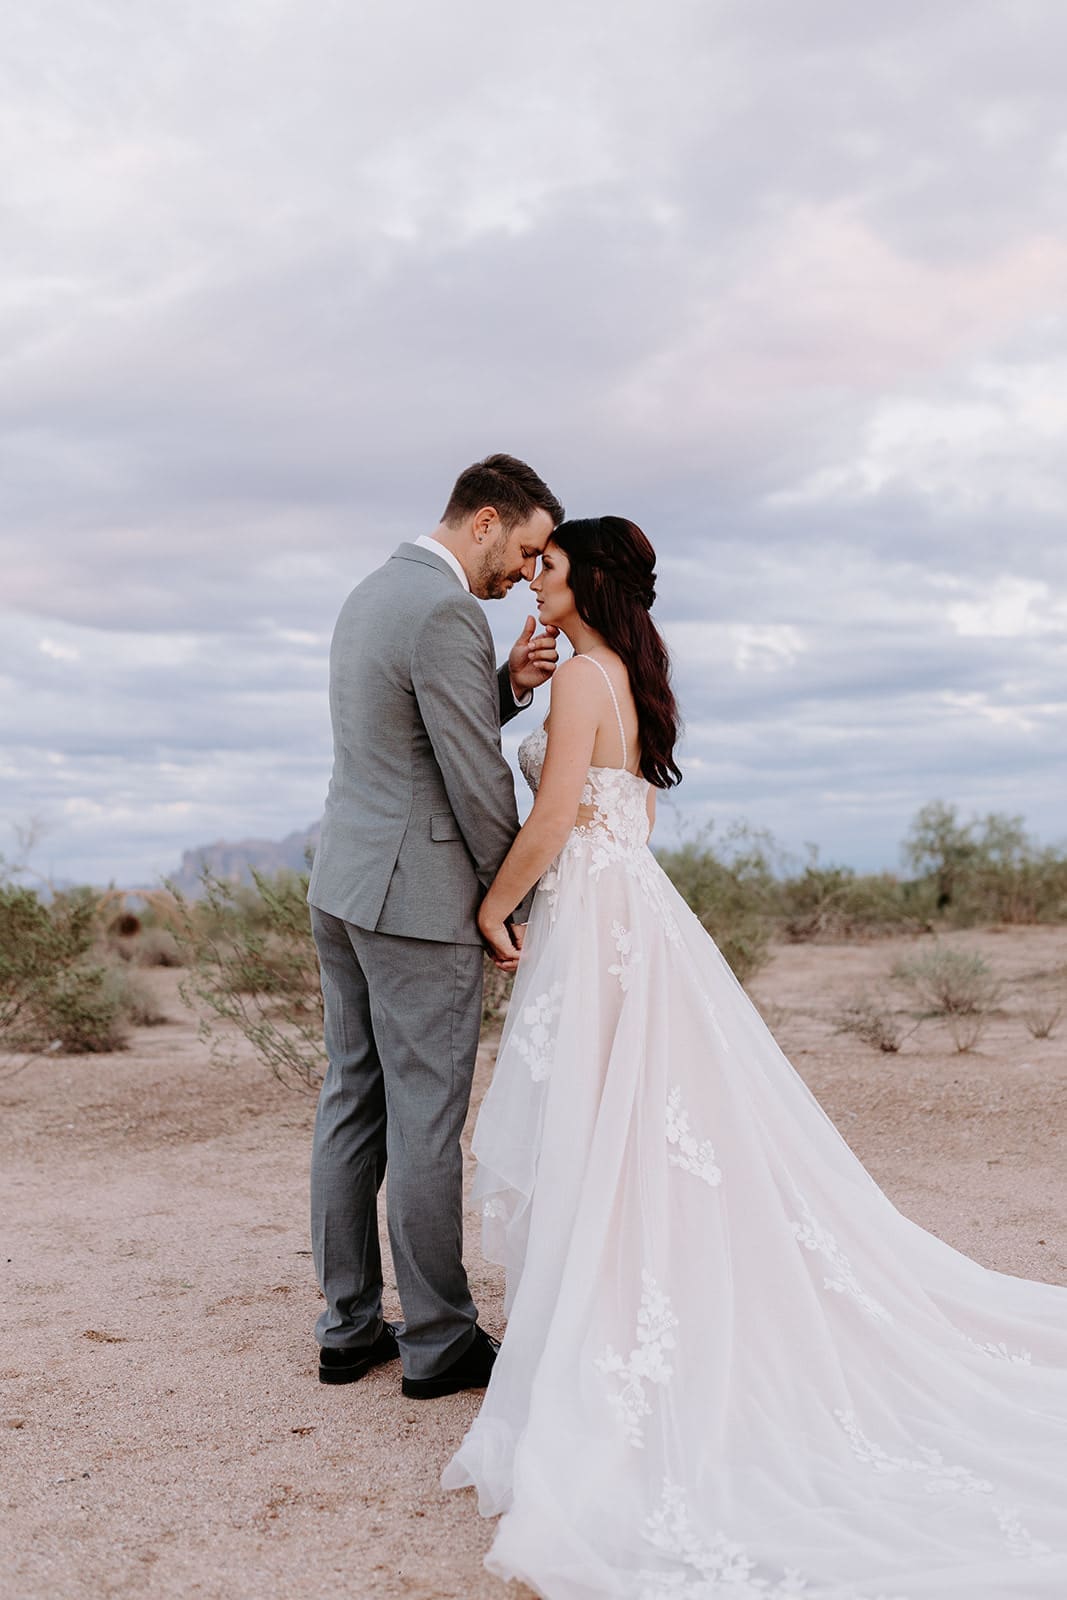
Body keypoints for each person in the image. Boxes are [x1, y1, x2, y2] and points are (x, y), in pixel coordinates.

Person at [443, 516, 1067, 1598]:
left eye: (545, 566)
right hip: (628, 910)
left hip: (595, 921)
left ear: (583, 579)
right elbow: (622, 812)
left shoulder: (581, 682)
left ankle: (609, 1350)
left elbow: (550, 825)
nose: (531, 579)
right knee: (628, 1128)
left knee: (605, 1126)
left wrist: (493, 907)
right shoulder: (616, 677)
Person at [307, 453, 563, 1397]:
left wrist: (504, 685)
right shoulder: (447, 608)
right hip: (416, 904)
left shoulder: (374, 591)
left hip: (343, 885)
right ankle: (441, 1342)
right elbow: (471, 779)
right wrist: (511, 900)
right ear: (486, 519)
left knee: (351, 1098)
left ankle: (346, 1327)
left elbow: (406, 733)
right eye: (527, 550)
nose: (525, 576)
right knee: (424, 1119)